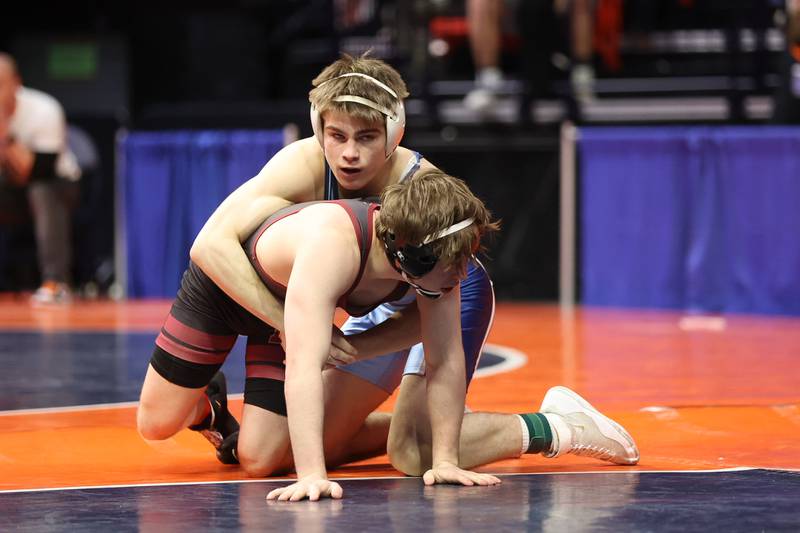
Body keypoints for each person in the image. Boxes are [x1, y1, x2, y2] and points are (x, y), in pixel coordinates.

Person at [139, 53, 638, 498]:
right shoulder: (306, 167)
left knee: (414, 453)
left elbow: (442, 291)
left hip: (423, 289)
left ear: (395, 134)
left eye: (367, 137)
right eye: (337, 136)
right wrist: (293, 327)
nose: (349, 154)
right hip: (300, 289)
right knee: (259, 451)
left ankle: (554, 427)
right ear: (320, 130)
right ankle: (240, 407)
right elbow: (210, 246)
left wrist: (441, 454)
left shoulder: (424, 200)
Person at [0, 52, 81, 303]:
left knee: (41, 191)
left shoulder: (44, 109)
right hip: (9, 189)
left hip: (60, 185)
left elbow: (37, 171)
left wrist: (4, 133)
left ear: (16, 83)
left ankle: (55, 281)